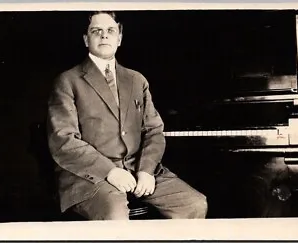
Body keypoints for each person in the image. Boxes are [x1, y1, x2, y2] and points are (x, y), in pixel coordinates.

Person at [47, 11, 207, 220]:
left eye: (111, 31)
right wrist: (109, 171)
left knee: (194, 205)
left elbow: (154, 131)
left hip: (137, 169)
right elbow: (63, 141)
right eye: (97, 31)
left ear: (119, 38)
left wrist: (147, 171)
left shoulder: (136, 80)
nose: (104, 36)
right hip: (89, 176)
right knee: (115, 215)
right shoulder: (67, 81)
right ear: (86, 39)